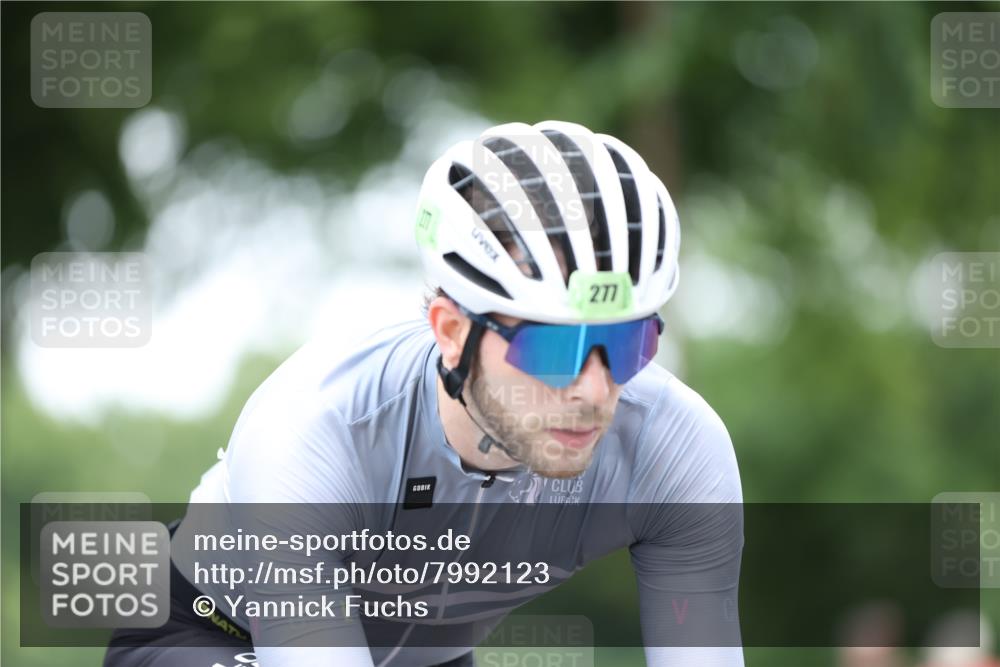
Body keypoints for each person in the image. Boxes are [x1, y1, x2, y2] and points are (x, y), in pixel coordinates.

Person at [104, 120, 745, 667]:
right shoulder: (313, 423)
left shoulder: (677, 448)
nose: (595, 391)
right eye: (555, 350)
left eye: (631, 344)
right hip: (209, 632)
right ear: (452, 331)